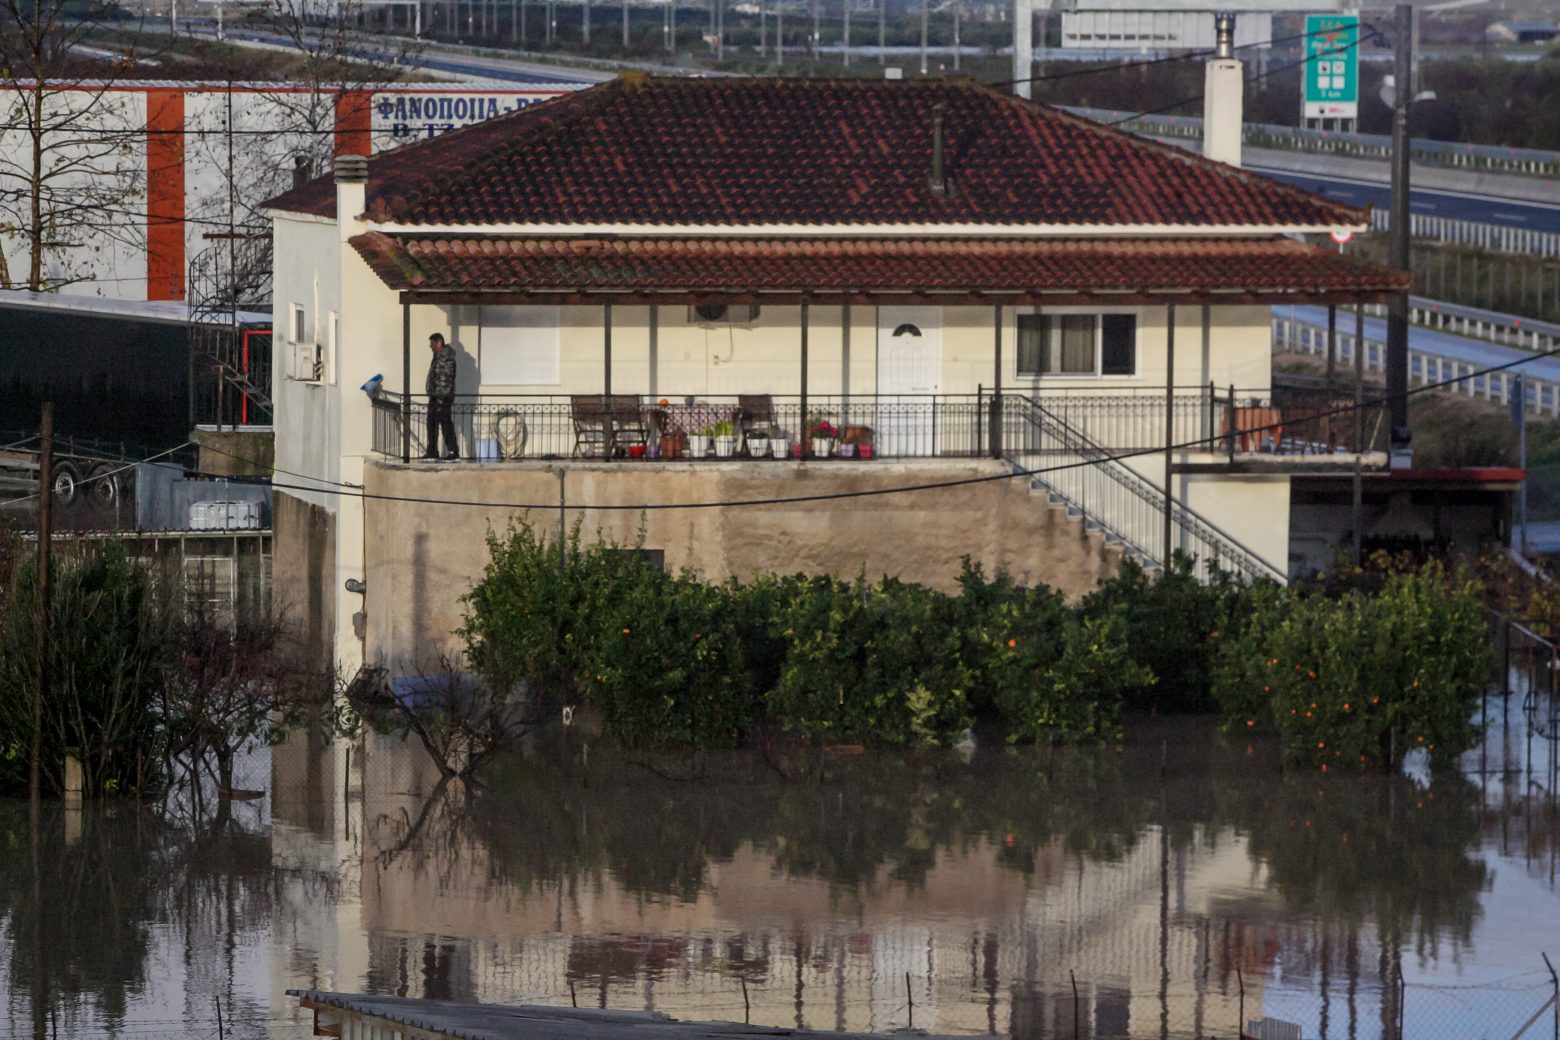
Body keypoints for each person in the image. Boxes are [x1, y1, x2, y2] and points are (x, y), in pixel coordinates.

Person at [423, 332, 458, 460]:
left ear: (439, 343)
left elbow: (445, 379)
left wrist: (440, 399)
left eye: (432, 343)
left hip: (442, 398)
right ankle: (432, 451)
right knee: (431, 423)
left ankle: (453, 452)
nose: (430, 346)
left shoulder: (446, 358)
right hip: (435, 396)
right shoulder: (437, 356)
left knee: (445, 423)